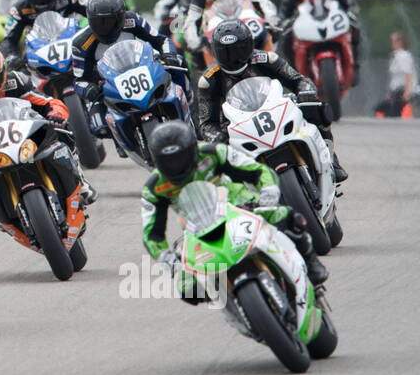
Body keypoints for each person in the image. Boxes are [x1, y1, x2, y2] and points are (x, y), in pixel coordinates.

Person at [140, 121, 328, 288]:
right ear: (157, 161)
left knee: (285, 216)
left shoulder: (212, 152)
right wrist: (165, 256)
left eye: (180, 158)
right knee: (186, 287)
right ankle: (230, 300)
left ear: (192, 150)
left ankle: (311, 261)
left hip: (239, 204)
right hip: (197, 228)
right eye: (169, 162)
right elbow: (152, 233)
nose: (176, 165)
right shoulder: (154, 187)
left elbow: (256, 170)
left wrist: (268, 189)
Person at [0, 45, 95, 214]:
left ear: (3, 73)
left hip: (26, 134)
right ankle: (4, 214)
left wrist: (56, 114)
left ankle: (79, 179)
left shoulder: (16, 81)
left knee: (61, 128)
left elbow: (47, 102)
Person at [198, 18, 348, 183]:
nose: (233, 57)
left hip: (276, 109)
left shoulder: (267, 59)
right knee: (216, 157)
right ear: (215, 52)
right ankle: (242, 199)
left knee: (315, 107)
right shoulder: (208, 80)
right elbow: (206, 123)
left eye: (238, 50)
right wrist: (216, 136)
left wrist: (305, 92)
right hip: (237, 128)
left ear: (249, 45)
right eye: (225, 52)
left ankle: (330, 156)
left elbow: (299, 80)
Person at [73, 0, 187, 139]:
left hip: (142, 69)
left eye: (110, 21)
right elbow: (79, 80)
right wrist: (89, 89)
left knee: (178, 61)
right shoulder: (81, 43)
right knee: (98, 126)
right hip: (107, 86)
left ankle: (187, 103)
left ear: (121, 17)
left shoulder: (133, 20)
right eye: (99, 22)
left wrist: (169, 55)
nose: (105, 27)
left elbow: (161, 40)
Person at [0, 0, 89, 69]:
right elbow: (8, 40)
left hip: (72, 47)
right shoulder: (19, 8)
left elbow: (93, 9)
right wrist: (11, 58)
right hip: (37, 55)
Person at [276, 0, 361, 65]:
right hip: (304, 31)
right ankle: (291, 68)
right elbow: (282, 16)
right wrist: (285, 24)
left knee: (354, 27)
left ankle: (354, 61)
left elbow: (350, 4)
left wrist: (350, 13)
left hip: (332, 25)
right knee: (285, 38)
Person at [374, 32, 416, 118]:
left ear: (400, 42)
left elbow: (408, 74)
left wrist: (407, 92)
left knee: (392, 113)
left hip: (401, 90)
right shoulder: (395, 55)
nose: (392, 43)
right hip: (395, 91)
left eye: (394, 41)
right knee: (384, 110)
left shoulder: (403, 55)